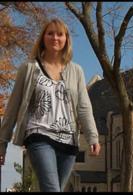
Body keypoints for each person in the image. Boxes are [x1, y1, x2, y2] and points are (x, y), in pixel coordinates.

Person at [0, 18, 101, 192]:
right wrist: (2, 142)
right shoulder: (29, 68)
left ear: (66, 39)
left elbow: (83, 107)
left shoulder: (76, 70)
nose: (55, 37)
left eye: (60, 34)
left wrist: (93, 136)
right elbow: (13, 106)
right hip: (39, 136)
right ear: (43, 38)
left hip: (68, 140)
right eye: (50, 33)